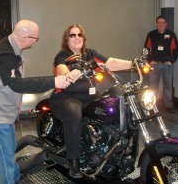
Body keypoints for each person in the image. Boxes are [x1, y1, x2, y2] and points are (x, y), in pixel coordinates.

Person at [0, 20, 71, 184]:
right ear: (25, 37)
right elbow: (17, 84)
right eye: (36, 38)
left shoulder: (13, 46)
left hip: (4, 109)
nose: (36, 41)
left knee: (9, 152)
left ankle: (16, 180)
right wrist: (55, 81)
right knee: (5, 161)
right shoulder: (5, 54)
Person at [49, 24, 133, 178]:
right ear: (66, 38)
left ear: (83, 37)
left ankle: (111, 148)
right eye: (72, 35)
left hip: (89, 96)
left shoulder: (89, 53)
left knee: (113, 104)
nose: (76, 38)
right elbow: (61, 68)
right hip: (66, 97)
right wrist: (70, 73)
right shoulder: (63, 55)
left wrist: (133, 63)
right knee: (74, 114)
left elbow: (110, 63)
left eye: (79, 35)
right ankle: (73, 160)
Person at [144, 15, 178, 113]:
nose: (160, 24)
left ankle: (168, 105)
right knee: (153, 87)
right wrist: (149, 60)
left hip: (167, 65)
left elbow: (176, 48)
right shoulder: (151, 34)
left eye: (162, 23)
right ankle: (152, 106)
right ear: (156, 24)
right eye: (159, 22)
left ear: (166, 24)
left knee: (168, 86)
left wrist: (172, 60)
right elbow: (146, 49)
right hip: (154, 65)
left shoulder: (171, 35)